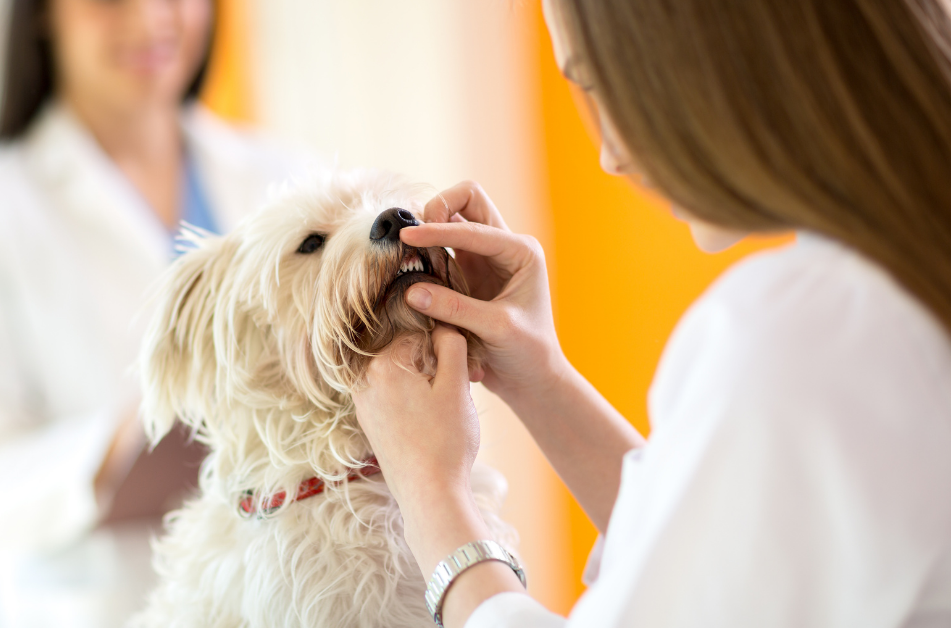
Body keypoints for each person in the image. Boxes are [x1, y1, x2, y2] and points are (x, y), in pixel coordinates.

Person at [352, 0, 951, 627]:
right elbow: (726, 554)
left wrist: (430, 493)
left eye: (601, 81)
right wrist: (542, 378)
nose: (611, 153)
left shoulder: (811, 333)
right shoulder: (883, 294)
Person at [0, 0, 303, 625]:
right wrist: (113, 451)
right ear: (41, 15)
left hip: (297, 594)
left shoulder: (283, 178)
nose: (150, 18)